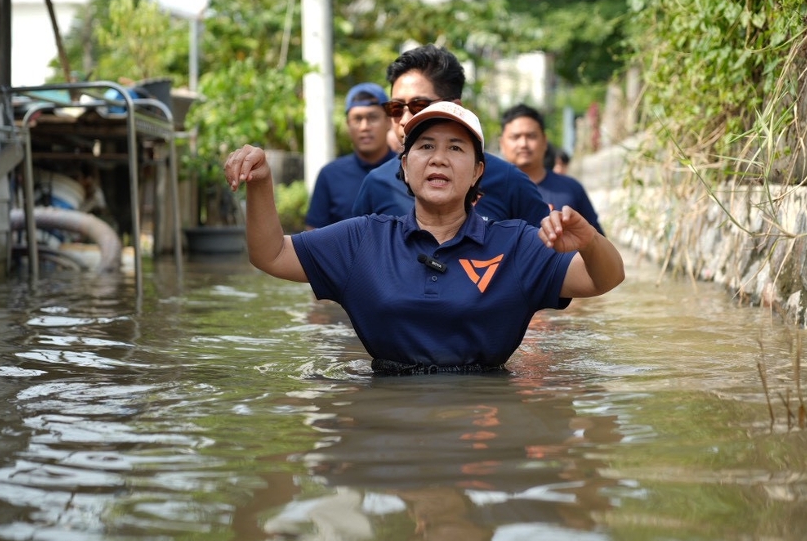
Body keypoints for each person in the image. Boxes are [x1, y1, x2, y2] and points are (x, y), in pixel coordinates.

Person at [224, 101, 625, 374]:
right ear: (404, 166)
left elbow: (604, 279)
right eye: (426, 147)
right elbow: (271, 255)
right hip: (387, 412)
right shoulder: (364, 239)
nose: (439, 157)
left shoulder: (516, 244)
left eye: (456, 148)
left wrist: (589, 241)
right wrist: (261, 185)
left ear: (477, 172)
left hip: (486, 419)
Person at [351, 46, 552, 226]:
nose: (404, 120)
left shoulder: (509, 181)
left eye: (418, 106)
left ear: (454, 108)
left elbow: (549, 258)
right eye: (395, 108)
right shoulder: (377, 184)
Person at [304, 83, 397, 229]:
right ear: (348, 125)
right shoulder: (330, 175)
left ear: (389, 122)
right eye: (357, 119)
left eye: (373, 117)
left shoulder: (407, 169)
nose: (364, 127)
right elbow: (312, 235)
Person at [501, 104, 603, 235]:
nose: (523, 144)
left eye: (531, 136)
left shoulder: (571, 189)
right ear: (502, 143)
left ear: (544, 141)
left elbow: (598, 243)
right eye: (515, 137)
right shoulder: (484, 191)